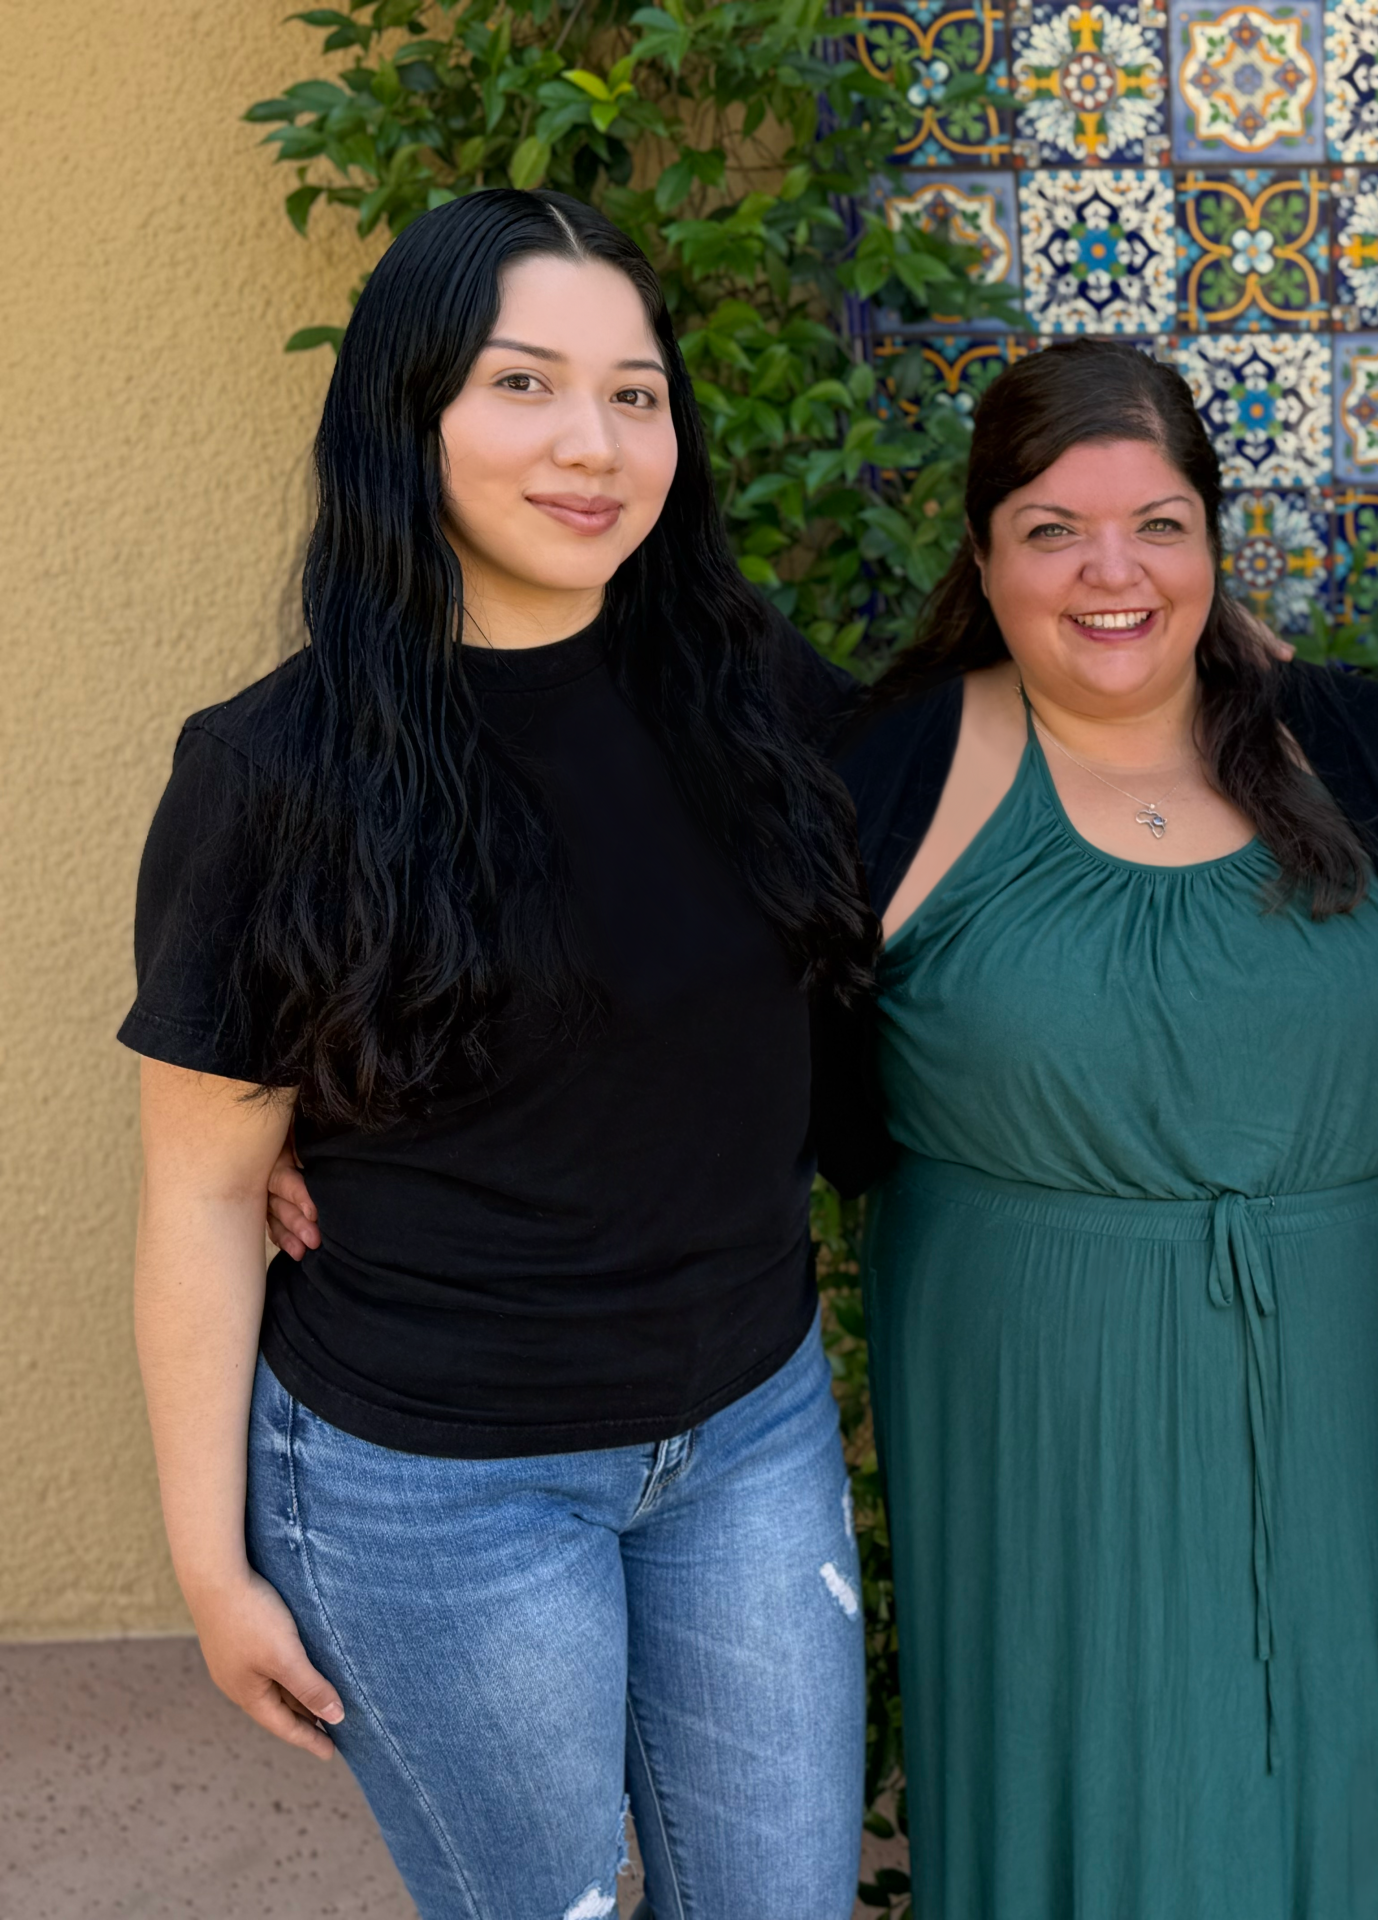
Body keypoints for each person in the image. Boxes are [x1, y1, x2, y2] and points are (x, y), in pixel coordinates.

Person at [129, 189, 873, 1920]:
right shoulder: (274, 774)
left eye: (635, 394)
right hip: (433, 1479)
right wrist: (208, 1560)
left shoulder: (742, 684)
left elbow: (995, 744)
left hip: (746, 1429)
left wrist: (1216, 666)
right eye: (524, 384)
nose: (593, 444)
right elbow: (201, 1189)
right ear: (411, 411)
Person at [822, 338, 1378, 1918]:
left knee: (1309, 1764)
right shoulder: (889, 773)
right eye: (1053, 529)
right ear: (982, 558)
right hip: (1027, 1406)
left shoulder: (1365, 750)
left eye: (1159, 524)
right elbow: (696, 1044)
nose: (1112, 571)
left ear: (1212, 543)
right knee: (1073, 1767)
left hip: (1331, 1399)